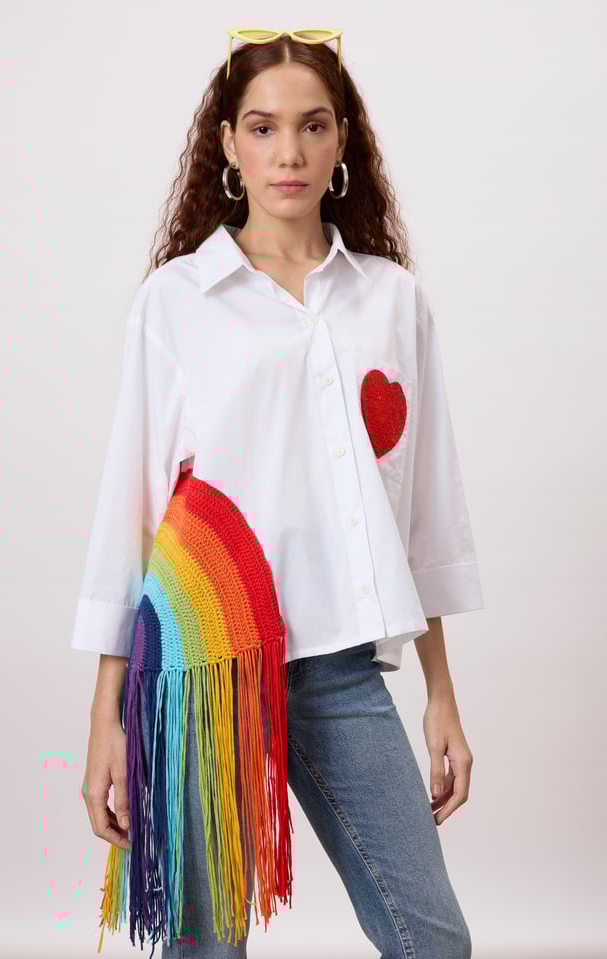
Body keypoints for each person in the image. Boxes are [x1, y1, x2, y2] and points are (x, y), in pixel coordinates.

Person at [74, 29, 484, 959]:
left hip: (339, 666)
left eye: (312, 126)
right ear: (228, 143)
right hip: (203, 664)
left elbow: (419, 514)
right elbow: (130, 516)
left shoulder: (391, 300)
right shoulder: (178, 300)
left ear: (343, 143)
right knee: (206, 947)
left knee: (433, 939)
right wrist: (108, 714)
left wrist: (442, 695)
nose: (288, 152)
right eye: (263, 128)